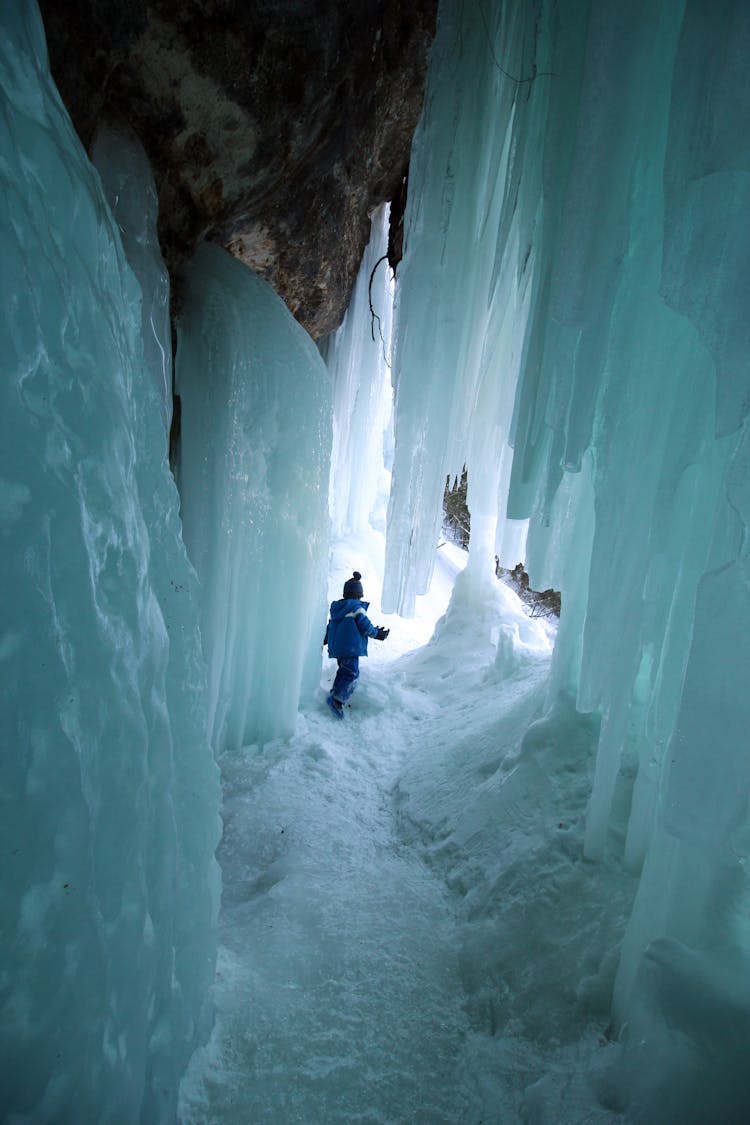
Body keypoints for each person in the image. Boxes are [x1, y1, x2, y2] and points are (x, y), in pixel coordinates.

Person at [323, 571, 389, 719]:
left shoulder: (337, 609)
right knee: (351, 674)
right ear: (359, 595)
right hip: (350, 648)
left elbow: (330, 627)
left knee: (343, 671)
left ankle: (335, 693)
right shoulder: (356, 607)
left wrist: (325, 639)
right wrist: (377, 633)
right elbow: (365, 625)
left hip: (339, 649)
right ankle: (337, 700)